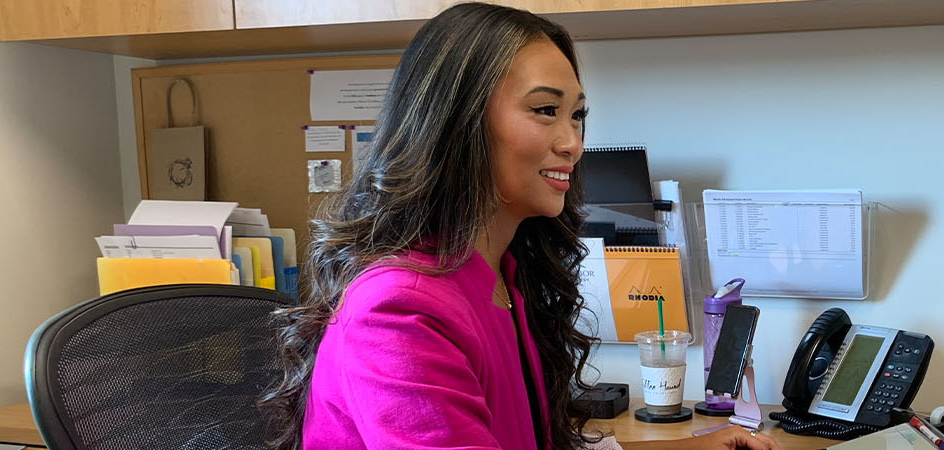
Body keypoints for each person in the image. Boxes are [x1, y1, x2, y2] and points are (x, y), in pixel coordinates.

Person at [258, 3, 782, 450]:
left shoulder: (499, 277)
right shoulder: (398, 312)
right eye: (545, 110)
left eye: (576, 115)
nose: (572, 143)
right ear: (458, 123)